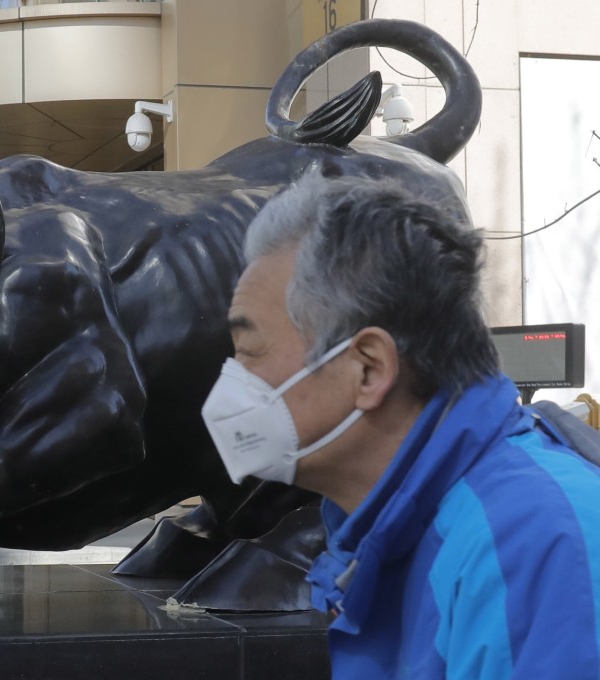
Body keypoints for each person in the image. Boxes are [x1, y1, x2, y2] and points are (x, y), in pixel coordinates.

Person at [200, 168, 600, 678]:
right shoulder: (395, 526)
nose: (232, 380)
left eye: (248, 349)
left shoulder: (531, 544)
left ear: (368, 369)